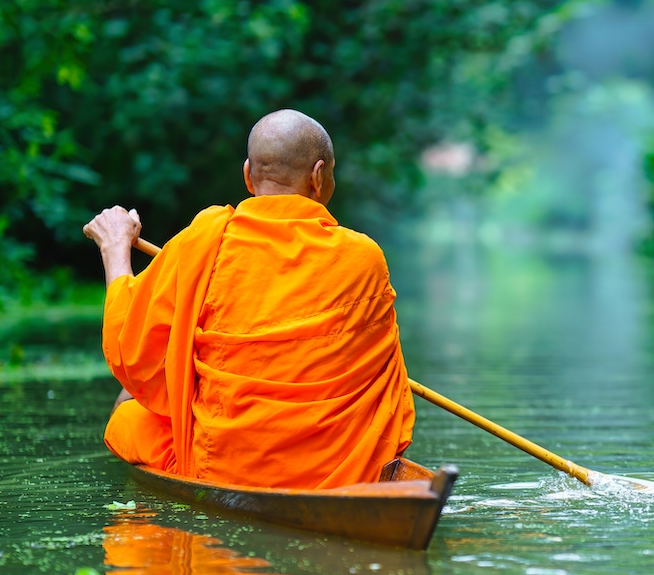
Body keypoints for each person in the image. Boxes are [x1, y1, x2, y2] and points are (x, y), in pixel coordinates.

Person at [85, 109, 414, 489]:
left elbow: (129, 351)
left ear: (247, 175)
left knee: (127, 408)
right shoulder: (364, 257)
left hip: (224, 465)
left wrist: (115, 249)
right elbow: (383, 375)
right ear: (319, 176)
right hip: (340, 467)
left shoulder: (209, 240)